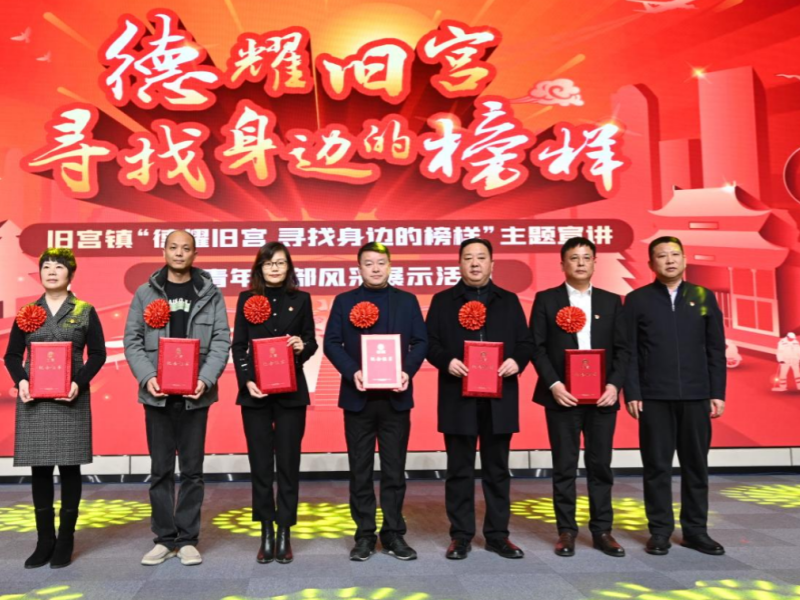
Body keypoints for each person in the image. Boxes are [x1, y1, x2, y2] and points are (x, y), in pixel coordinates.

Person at [124, 230, 230, 566]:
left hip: (195, 396)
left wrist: (205, 379)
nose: (179, 253)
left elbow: (221, 341)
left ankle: (187, 539)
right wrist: (148, 377)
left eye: (186, 248)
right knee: (160, 470)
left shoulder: (209, 293)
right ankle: (163, 538)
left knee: (193, 471)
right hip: (157, 396)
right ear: (164, 251)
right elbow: (132, 340)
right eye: (173, 247)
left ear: (195, 254)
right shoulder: (145, 293)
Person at [426, 239, 533, 560]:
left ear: (492, 264)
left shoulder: (509, 300)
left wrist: (516, 361)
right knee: (459, 469)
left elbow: (526, 343)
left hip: (500, 398)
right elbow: (429, 343)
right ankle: (460, 536)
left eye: (481, 258)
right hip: (458, 396)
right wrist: (447, 361)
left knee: (497, 470)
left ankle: (498, 535)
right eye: (468, 258)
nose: (475, 263)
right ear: (459, 264)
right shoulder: (443, 301)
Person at [323, 242, 428, 561]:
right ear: (359, 268)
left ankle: (394, 533)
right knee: (360, 470)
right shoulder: (345, 301)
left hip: (396, 398)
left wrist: (406, 371)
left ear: (390, 265)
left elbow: (421, 341)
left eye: (381, 262)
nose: (376, 268)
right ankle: (365, 535)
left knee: (395, 470)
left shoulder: (407, 301)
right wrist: (352, 371)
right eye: (368, 263)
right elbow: (331, 343)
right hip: (358, 398)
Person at [4, 248, 107, 569]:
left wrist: (79, 381)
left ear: (70, 274)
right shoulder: (28, 311)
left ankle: (66, 539)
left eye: (59, 267)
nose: (51, 271)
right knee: (40, 469)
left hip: (70, 398)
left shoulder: (84, 310)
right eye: (46, 266)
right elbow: (11, 355)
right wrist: (21, 380)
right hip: (34, 401)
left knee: (70, 467)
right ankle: (44, 540)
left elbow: (98, 354)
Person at [624, 236, 726, 556]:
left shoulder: (703, 296)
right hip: (654, 397)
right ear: (651, 263)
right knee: (656, 467)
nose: (669, 260)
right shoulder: (637, 300)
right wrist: (633, 391)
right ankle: (659, 531)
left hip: (696, 396)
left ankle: (696, 531)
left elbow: (715, 348)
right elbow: (629, 351)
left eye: (675, 254)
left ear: (684, 259)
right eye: (662, 256)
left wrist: (716, 392)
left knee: (696, 466)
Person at [529, 237, 629, 558]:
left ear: (595, 263)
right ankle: (567, 531)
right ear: (563, 264)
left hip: (602, 399)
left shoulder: (612, 302)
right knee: (564, 466)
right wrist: (555, 384)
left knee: (600, 466)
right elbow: (536, 348)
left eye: (587, 257)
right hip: (563, 398)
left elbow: (623, 349)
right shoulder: (547, 300)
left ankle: (602, 530)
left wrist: (614, 386)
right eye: (574, 258)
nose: (581, 263)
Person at [231, 242, 318, 564]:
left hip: (291, 393)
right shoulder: (247, 299)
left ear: (289, 267)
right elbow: (239, 346)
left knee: (288, 464)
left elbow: (311, 341)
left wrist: (302, 346)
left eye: (281, 263)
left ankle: (285, 531)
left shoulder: (302, 299)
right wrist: (246, 380)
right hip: (256, 393)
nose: (275, 268)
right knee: (261, 465)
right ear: (260, 268)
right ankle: (266, 530)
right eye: (269, 263)